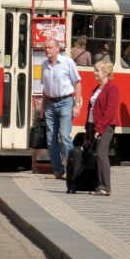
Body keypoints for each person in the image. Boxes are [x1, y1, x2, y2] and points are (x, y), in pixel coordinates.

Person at [40, 39, 82, 181]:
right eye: (45, 48)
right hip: (50, 104)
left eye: (49, 47)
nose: (47, 50)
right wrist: (42, 108)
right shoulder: (44, 65)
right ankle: (58, 170)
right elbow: (45, 89)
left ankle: (72, 170)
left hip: (66, 102)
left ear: (57, 49)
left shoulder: (67, 62)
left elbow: (77, 83)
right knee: (51, 139)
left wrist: (77, 105)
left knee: (64, 136)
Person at [87, 59, 119, 197]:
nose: (94, 73)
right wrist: (87, 131)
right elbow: (91, 109)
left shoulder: (112, 88)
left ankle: (105, 187)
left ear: (105, 72)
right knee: (96, 154)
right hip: (92, 124)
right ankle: (98, 185)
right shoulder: (97, 88)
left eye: (97, 70)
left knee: (101, 153)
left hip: (105, 126)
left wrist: (99, 129)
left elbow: (109, 110)